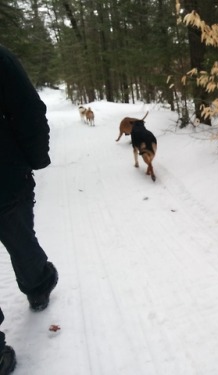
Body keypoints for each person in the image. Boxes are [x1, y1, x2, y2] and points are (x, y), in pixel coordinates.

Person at [0, 44, 58, 374]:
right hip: (5, 179)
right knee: (22, 240)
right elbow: (29, 111)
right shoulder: (1, 59)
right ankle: (38, 287)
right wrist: (36, 159)